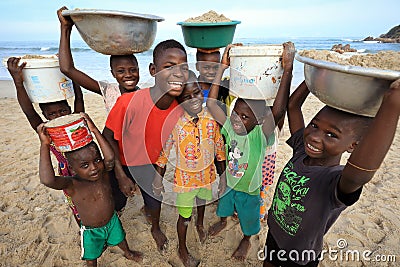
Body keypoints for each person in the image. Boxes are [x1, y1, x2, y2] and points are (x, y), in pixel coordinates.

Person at [263, 79, 400, 267]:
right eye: (314, 125)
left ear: (354, 146)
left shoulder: (335, 181)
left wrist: (393, 102)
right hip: (275, 232)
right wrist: (314, 75)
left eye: (331, 135)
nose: (314, 136)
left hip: (300, 254)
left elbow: (360, 172)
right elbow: (293, 106)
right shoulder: (301, 150)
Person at [206, 42, 295, 260]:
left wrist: (288, 69)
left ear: (259, 121)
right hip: (229, 183)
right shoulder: (230, 128)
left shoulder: (259, 136)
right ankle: (224, 221)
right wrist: (222, 66)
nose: (237, 119)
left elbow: (279, 109)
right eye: (235, 113)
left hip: (250, 190)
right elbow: (211, 103)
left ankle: (246, 239)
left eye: (244, 117)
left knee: (249, 219)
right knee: (225, 207)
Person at [103, 39, 189, 252]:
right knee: (116, 202)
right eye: (169, 67)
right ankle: (111, 229)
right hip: (122, 162)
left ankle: (155, 227)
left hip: (151, 164)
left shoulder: (181, 107)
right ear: (153, 70)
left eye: (183, 68)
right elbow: (108, 136)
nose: (178, 73)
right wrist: (121, 175)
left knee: (154, 200)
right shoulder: (128, 103)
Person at [37, 113, 143, 267]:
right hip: (92, 231)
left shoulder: (103, 174)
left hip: (112, 220)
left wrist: (93, 130)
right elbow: (47, 180)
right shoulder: (72, 184)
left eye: (97, 160)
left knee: (120, 238)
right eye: (85, 165)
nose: (94, 168)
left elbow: (110, 158)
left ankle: (127, 252)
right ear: (72, 169)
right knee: (91, 256)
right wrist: (45, 145)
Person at [152, 70, 226, 267]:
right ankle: (182, 249)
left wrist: (223, 178)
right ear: (179, 101)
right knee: (184, 217)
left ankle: (200, 223)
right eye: (186, 97)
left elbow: (219, 148)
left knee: (202, 200)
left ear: (201, 90)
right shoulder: (175, 123)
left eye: (196, 93)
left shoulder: (211, 119)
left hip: (208, 175)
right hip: (185, 181)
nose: (193, 99)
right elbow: (164, 152)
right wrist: (158, 178)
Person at [6, 56, 84, 226]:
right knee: (77, 206)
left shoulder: (77, 122)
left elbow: (79, 99)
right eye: (53, 114)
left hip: (89, 168)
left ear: (69, 109)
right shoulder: (47, 132)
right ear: (46, 117)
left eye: (63, 111)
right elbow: (29, 112)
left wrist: (73, 78)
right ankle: (83, 228)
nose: (59, 116)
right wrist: (19, 83)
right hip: (68, 175)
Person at [57, 6, 140, 114]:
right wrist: (65, 28)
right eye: (121, 71)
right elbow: (67, 69)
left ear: (139, 70)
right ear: (113, 73)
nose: (128, 74)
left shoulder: (146, 95)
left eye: (133, 70)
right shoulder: (109, 91)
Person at [196, 48, 235, 113]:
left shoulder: (226, 87)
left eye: (216, 67)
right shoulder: (190, 91)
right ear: (197, 66)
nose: (211, 72)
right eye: (206, 67)